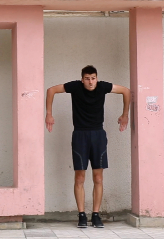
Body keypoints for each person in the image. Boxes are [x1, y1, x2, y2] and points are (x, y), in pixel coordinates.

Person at [45, 65, 130, 228]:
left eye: (93, 78)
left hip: (98, 134)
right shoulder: (75, 87)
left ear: (97, 78)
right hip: (80, 135)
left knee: (98, 177)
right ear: (82, 79)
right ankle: (82, 214)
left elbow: (126, 91)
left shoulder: (103, 86)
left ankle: (96, 215)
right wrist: (49, 113)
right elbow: (51, 90)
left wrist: (125, 115)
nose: (91, 82)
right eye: (87, 79)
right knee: (80, 177)